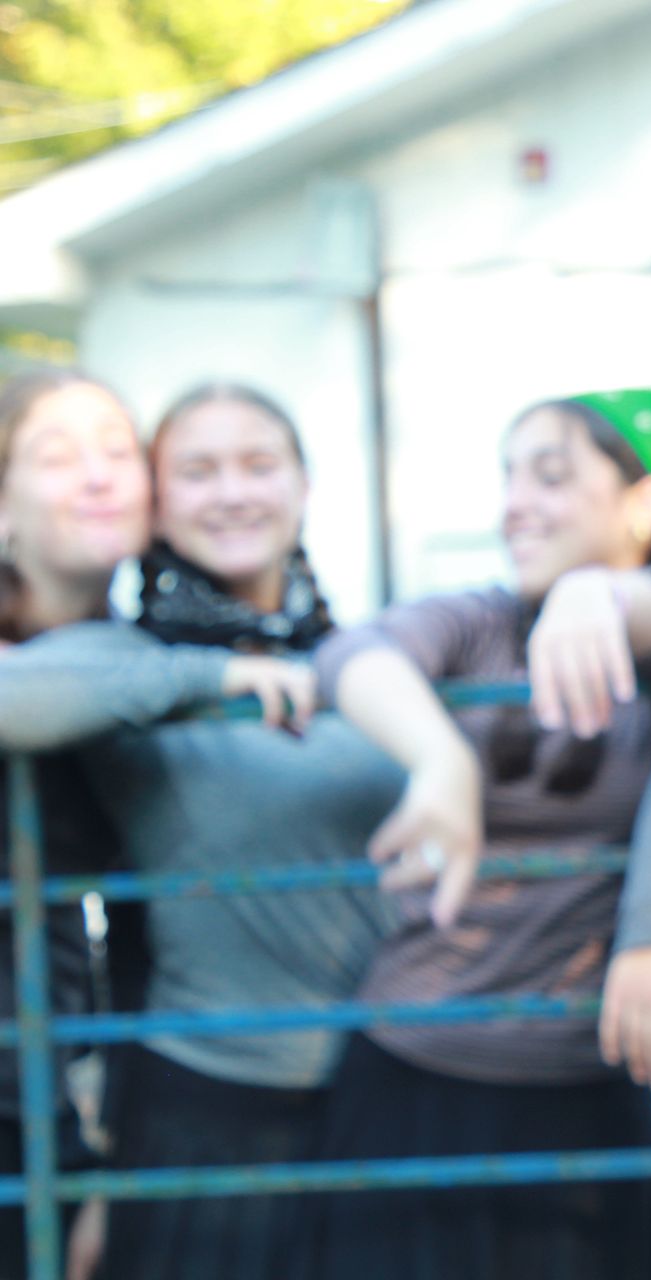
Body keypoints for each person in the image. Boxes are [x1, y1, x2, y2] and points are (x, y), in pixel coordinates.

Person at [300, 395, 651, 1280]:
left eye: (553, 474)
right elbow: (351, 656)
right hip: (414, 1070)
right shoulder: (478, 621)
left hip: (588, 1082)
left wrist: (609, 593)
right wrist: (440, 761)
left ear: (643, 508)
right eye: (509, 476)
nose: (515, 504)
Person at [0, 383, 403, 1280]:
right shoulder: (125, 666)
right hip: (183, 1113)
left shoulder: (358, 653)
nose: (232, 492)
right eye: (197, 470)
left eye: (260, 464)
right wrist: (211, 673)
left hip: (380, 1090)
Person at [0, 370, 150, 1279]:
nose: (97, 475)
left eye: (119, 451)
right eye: (57, 456)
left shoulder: (163, 663)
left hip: (93, 1105)